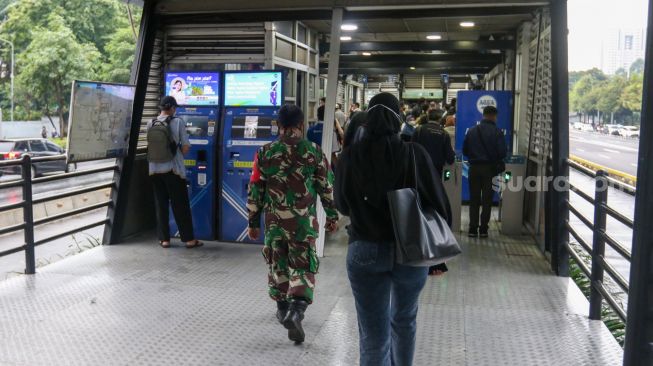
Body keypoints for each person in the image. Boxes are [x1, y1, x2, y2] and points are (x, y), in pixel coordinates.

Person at [335, 92, 451, 366]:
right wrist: (438, 256)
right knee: (405, 320)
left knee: (373, 335)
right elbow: (439, 203)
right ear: (398, 119)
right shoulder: (414, 153)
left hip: (364, 248)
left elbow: (341, 205)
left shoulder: (350, 156)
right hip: (410, 250)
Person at [247, 104, 339, 344]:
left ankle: (282, 307)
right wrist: (332, 215)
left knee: (278, 262)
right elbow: (326, 187)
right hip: (302, 223)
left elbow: (255, 188)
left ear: (279, 125)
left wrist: (253, 221)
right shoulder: (314, 152)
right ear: (301, 125)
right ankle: (296, 310)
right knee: (302, 264)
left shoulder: (265, 152)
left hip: (274, 223)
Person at [147, 96, 202, 249]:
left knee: (161, 204)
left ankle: (164, 239)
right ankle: (189, 240)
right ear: (172, 108)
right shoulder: (177, 122)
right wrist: (176, 154)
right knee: (180, 205)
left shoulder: (150, 123)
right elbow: (185, 146)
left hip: (154, 170)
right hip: (173, 170)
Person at [411, 109, 455, 276]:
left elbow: (410, 149)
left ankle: (417, 252)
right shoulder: (443, 134)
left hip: (416, 179)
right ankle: (435, 260)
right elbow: (450, 158)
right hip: (435, 180)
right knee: (435, 217)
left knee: (418, 214)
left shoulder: (419, 130)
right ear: (441, 119)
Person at [462, 105, 507, 238]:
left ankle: (472, 229)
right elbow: (502, 152)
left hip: (474, 169)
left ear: (484, 114)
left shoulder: (471, 131)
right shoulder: (497, 132)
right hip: (490, 170)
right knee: (487, 200)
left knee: (474, 199)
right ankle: (483, 230)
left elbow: (465, 151)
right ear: (494, 116)